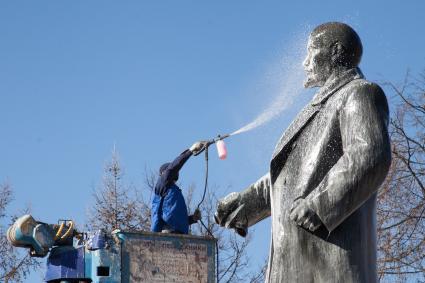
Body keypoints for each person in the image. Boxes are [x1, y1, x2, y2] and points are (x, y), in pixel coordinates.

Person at [215, 22, 391, 283]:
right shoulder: (319, 107)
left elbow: (370, 154)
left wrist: (320, 205)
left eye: (312, 51)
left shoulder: (360, 93)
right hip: (292, 266)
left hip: (328, 266)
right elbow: (291, 176)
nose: (305, 62)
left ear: (335, 51)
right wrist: (245, 205)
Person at [151, 141, 207, 234]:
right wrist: (190, 150)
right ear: (163, 173)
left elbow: (175, 217)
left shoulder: (172, 190)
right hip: (169, 231)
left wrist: (192, 219)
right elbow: (174, 167)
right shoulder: (163, 183)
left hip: (179, 233)